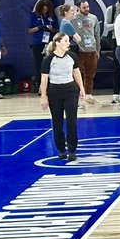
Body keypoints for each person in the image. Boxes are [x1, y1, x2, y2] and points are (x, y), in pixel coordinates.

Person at [40, 32, 86, 161]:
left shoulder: (72, 56)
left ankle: (72, 149)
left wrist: (81, 88)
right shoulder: (48, 59)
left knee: (72, 121)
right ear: (58, 43)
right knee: (57, 122)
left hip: (70, 91)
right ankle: (61, 149)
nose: (68, 43)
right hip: (55, 93)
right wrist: (44, 96)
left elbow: (76, 73)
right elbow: (44, 79)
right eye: (65, 41)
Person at [68, 0, 101, 105]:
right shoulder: (73, 20)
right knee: (77, 75)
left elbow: (97, 35)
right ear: (78, 8)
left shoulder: (93, 18)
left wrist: (97, 49)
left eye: (87, 7)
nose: (87, 9)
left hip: (91, 50)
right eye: (84, 7)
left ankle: (88, 95)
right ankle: (77, 98)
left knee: (90, 74)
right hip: (79, 51)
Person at [27, 0, 56, 90]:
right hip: (38, 43)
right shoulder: (34, 16)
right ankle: (40, 86)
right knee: (39, 65)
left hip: (50, 44)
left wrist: (51, 29)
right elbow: (29, 30)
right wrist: (39, 27)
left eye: (47, 9)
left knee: (51, 65)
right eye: (43, 9)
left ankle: (50, 87)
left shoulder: (52, 16)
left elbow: (57, 30)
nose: (45, 11)